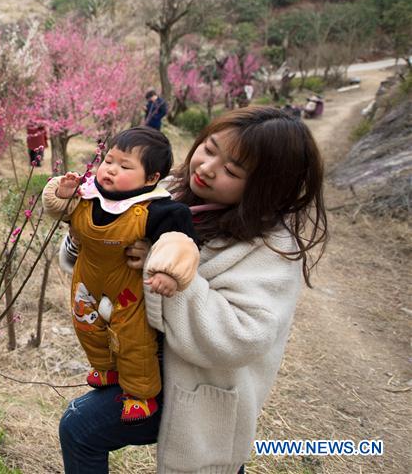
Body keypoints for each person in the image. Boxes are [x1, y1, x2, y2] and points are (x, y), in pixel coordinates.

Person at [58, 106, 328, 473]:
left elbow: (242, 334)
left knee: (82, 426)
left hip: (196, 385)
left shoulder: (271, 249)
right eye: (209, 148)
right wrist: (83, 238)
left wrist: (165, 270)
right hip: (140, 360)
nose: (206, 168)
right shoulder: (165, 191)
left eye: (232, 170)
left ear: (265, 187)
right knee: (80, 427)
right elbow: (101, 260)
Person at [42, 127, 200, 424]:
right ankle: (104, 368)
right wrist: (61, 193)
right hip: (88, 278)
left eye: (125, 166)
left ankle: (141, 395)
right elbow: (59, 210)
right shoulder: (88, 193)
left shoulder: (158, 210)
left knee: (133, 338)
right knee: (85, 323)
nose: (111, 170)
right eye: (109, 160)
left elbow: (179, 242)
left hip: (127, 286)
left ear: (151, 178)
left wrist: (168, 271)